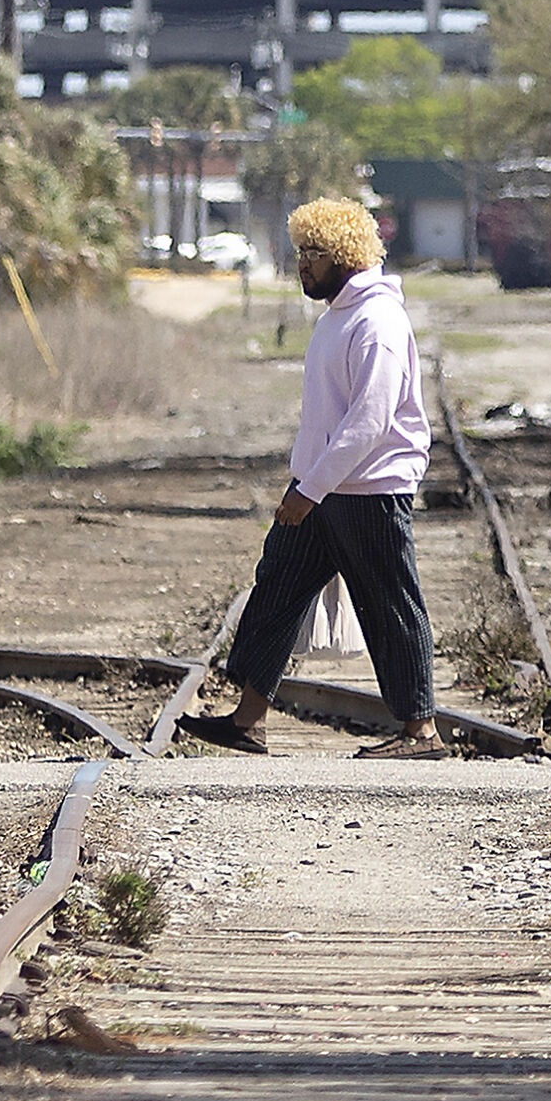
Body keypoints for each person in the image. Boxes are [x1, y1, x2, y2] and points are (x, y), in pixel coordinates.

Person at [177, 196, 445, 759]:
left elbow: (369, 422)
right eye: (300, 251)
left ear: (345, 254)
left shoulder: (377, 322)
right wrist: (309, 485)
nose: (303, 263)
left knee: (391, 604)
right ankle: (248, 720)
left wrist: (310, 489)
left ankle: (421, 733)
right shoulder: (337, 317)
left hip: (368, 490)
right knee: (276, 590)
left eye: (314, 254)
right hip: (321, 489)